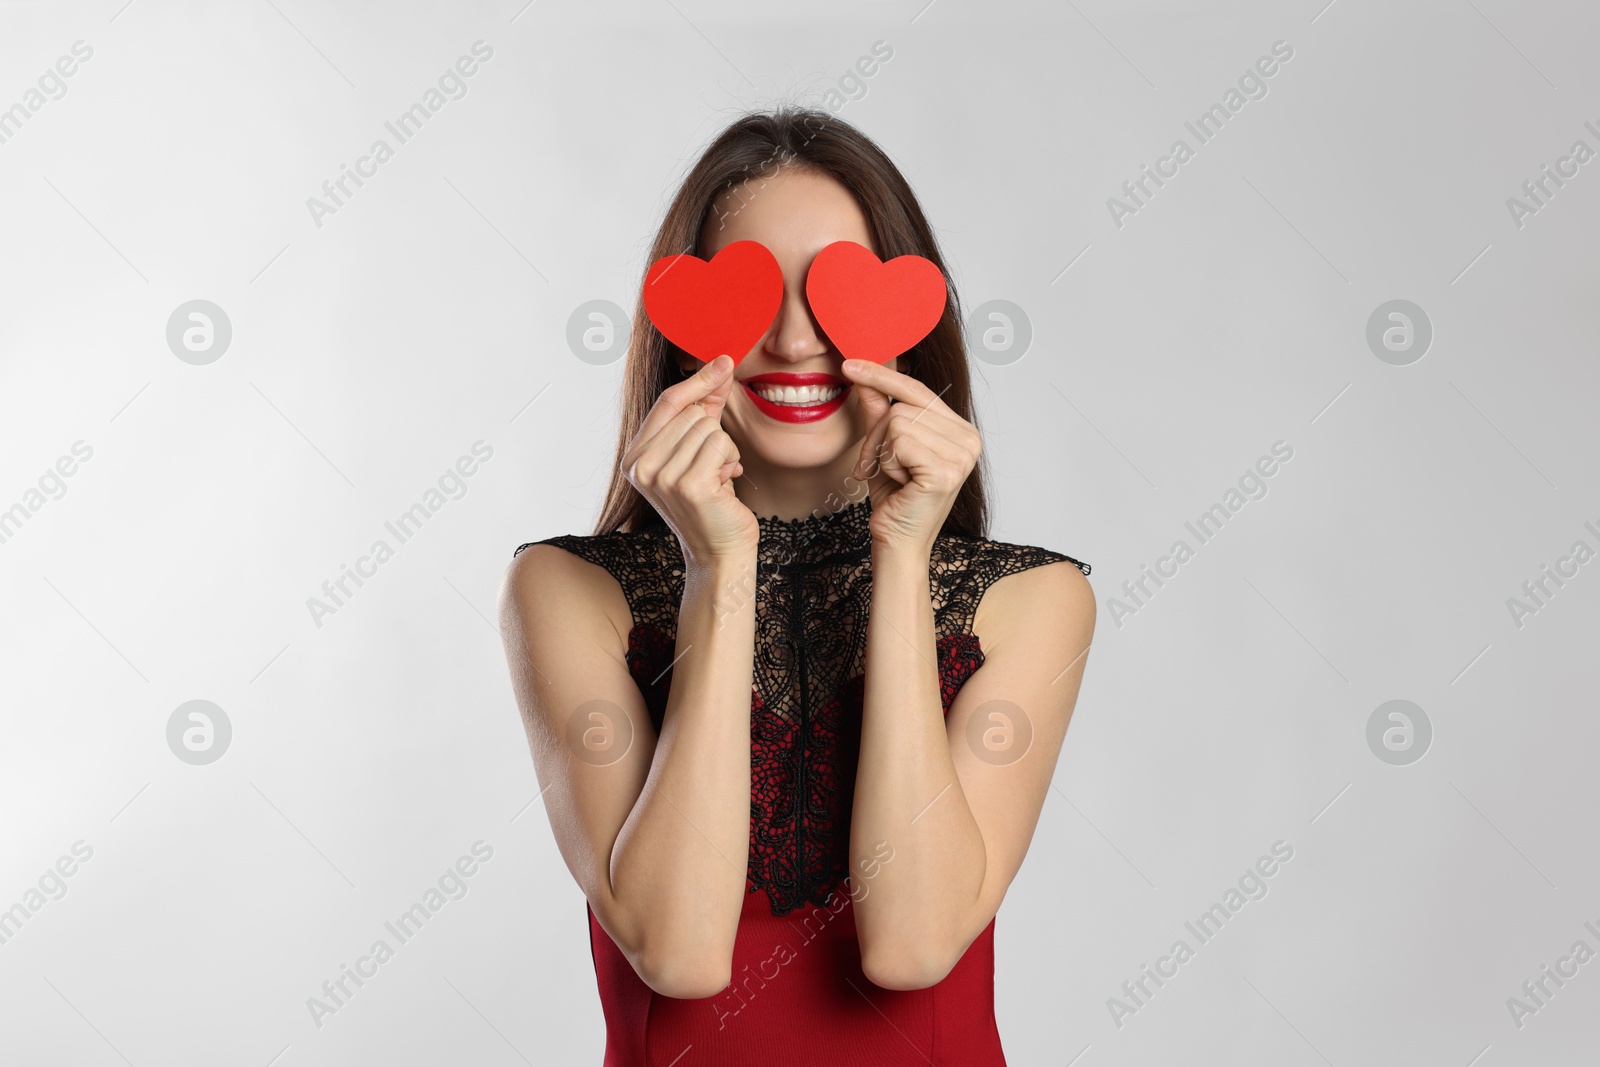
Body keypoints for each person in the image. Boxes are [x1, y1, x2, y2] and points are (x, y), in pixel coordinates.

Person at [498, 106, 1095, 1066]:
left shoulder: (1029, 601)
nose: (791, 339)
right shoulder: (569, 592)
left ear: (908, 322)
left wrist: (904, 551)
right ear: (683, 331)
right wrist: (718, 567)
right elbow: (678, 949)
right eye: (749, 295)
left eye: (833, 295)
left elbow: (911, 942)